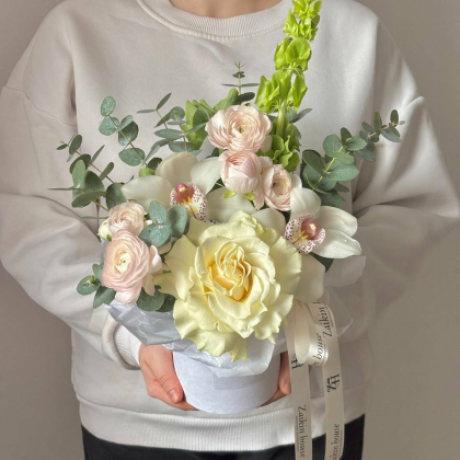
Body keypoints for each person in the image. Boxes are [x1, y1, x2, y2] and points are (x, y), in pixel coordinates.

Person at [0, 0, 458, 459]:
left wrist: (311, 326)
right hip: (138, 427)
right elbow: (22, 212)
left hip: (308, 416)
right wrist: (127, 334)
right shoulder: (78, 31)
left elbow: (409, 208)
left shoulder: (351, 34)